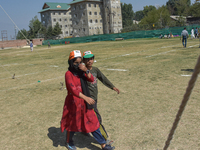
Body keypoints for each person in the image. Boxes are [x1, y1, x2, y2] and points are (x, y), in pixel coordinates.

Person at [61, 50, 115, 150]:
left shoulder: (81, 71)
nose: (78, 65)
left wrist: (86, 70)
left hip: (84, 102)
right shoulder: (68, 74)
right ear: (71, 62)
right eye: (75, 63)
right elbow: (73, 89)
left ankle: (103, 145)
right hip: (73, 102)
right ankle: (69, 142)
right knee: (72, 123)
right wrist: (86, 98)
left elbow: (90, 79)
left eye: (79, 62)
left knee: (93, 121)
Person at [82, 50, 120, 144]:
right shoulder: (82, 72)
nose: (89, 61)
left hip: (94, 98)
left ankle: (84, 130)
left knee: (87, 116)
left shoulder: (95, 70)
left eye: (91, 59)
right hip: (87, 99)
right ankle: (105, 139)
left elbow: (103, 78)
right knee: (97, 118)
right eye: (87, 59)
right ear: (83, 61)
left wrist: (112, 86)